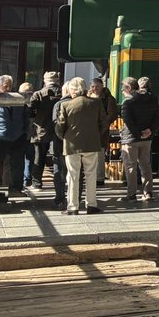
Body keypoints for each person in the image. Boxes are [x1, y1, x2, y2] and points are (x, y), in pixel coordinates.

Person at [54, 76, 108, 215]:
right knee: (91, 175)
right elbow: (104, 123)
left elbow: (60, 126)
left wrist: (64, 137)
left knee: (72, 176)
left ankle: (73, 207)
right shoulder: (96, 103)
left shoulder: (65, 105)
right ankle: (91, 205)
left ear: (73, 90)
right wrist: (96, 135)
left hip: (72, 145)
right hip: (91, 143)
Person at [120, 75, 159, 202]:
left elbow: (128, 120)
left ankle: (131, 194)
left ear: (129, 87)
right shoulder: (153, 99)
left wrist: (138, 134)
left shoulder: (128, 101)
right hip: (147, 139)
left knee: (131, 167)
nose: (122, 90)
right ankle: (148, 193)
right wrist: (150, 131)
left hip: (131, 139)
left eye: (123, 87)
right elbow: (158, 118)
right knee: (145, 165)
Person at [29, 72, 66, 208]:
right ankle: (61, 183)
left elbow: (30, 111)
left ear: (45, 81)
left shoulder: (38, 94)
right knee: (58, 159)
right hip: (60, 131)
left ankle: (37, 182)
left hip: (41, 130)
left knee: (39, 158)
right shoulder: (63, 93)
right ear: (57, 80)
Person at [0, 74, 30, 193]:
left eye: (10, 86)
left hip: (17, 135)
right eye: (5, 86)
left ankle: (16, 187)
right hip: (0, 136)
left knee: (17, 163)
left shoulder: (17, 97)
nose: (8, 89)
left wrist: (24, 131)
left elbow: (25, 114)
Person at [87, 77, 119, 184]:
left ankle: (99, 178)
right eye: (93, 86)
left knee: (100, 155)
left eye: (97, 86)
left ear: (102, 86)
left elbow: (112, 114)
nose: (95, 88)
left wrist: (103, 124)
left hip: (101, 131)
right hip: (88, 130)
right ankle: (90, 177)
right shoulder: (86, 97)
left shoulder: (109, 99)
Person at [18, 82, 35, 188]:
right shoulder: (34, 102)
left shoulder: (18, 103)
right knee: (30, 157)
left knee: (20, 157)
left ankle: (24, 178)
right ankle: (27, 179)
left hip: (20, 133)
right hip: (31, 133)